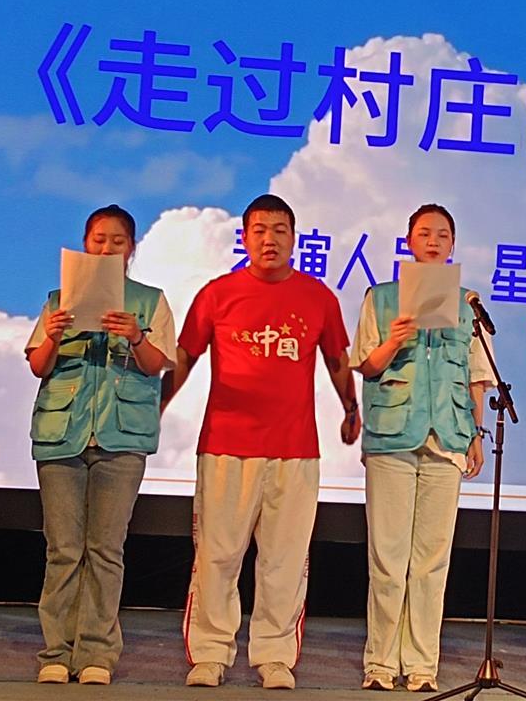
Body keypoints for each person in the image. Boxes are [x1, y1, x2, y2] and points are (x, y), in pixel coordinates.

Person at [164, 193, 360, 689]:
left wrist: (351, 408)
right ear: (245, 238)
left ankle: (274, 655)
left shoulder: (318, 297)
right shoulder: (218, 294)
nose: (269, 239)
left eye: (279, 230)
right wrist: (157, 406)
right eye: (259, 230)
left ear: (294, 239)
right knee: (218, 555)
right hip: (226, 445)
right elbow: (185, 356)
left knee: (284, 559)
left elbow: (337, 360)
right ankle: (210, 653)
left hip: (295, 449)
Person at [24, 205, 175, 685]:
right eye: (98, 240)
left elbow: (158, 364)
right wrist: (52, 336)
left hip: (121, 438)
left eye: (117, 241)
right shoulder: (58, 300)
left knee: (106, 550)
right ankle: (55, 652)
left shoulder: (150, 301)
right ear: (85, 244)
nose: (107, 248)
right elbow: (38, 365)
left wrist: (135, 336)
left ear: (131, 249)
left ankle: (96, 654)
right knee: (63, 550)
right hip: (62, 436)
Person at [351, 204, 492, 692]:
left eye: (443, 234)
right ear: (409, 241)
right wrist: (394, 340)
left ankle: (422, 664)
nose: (433, 241)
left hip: (447, 436)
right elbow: (366, 364)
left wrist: (476, 433)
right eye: (425, 233)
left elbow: (477, 376)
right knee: (388, 557)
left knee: (432, 560)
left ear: (453, 244)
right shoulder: (381, 298)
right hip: (393, 435)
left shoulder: (467, 305)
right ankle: (380, 662)